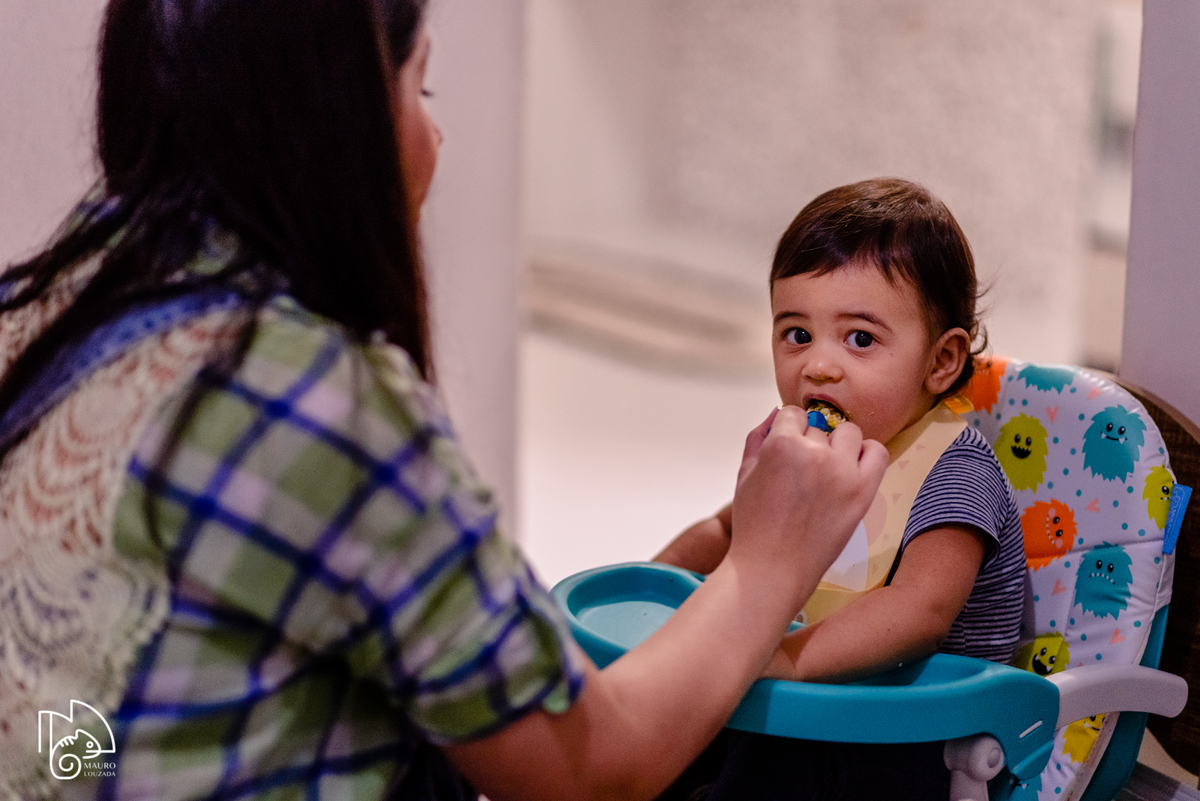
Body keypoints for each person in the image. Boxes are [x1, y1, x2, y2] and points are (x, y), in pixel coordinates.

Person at [0, 2, 888, 800]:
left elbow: (77, 724)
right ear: (336, 120)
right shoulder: (315, 402)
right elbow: (590, 769)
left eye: (862, 337)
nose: (436, 134)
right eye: (420, 87)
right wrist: (768, 564)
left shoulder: (54, 298)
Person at [655, 178, 1026, 799]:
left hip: (915, 737)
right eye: (796, 333)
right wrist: (657, 587)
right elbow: (726, 531)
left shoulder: (955, 471)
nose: (817, 365)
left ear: (941, 362)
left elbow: (920, 612)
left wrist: (783, 659)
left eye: (860, 338)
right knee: (665, 743)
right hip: (813, 712)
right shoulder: (809, 453)